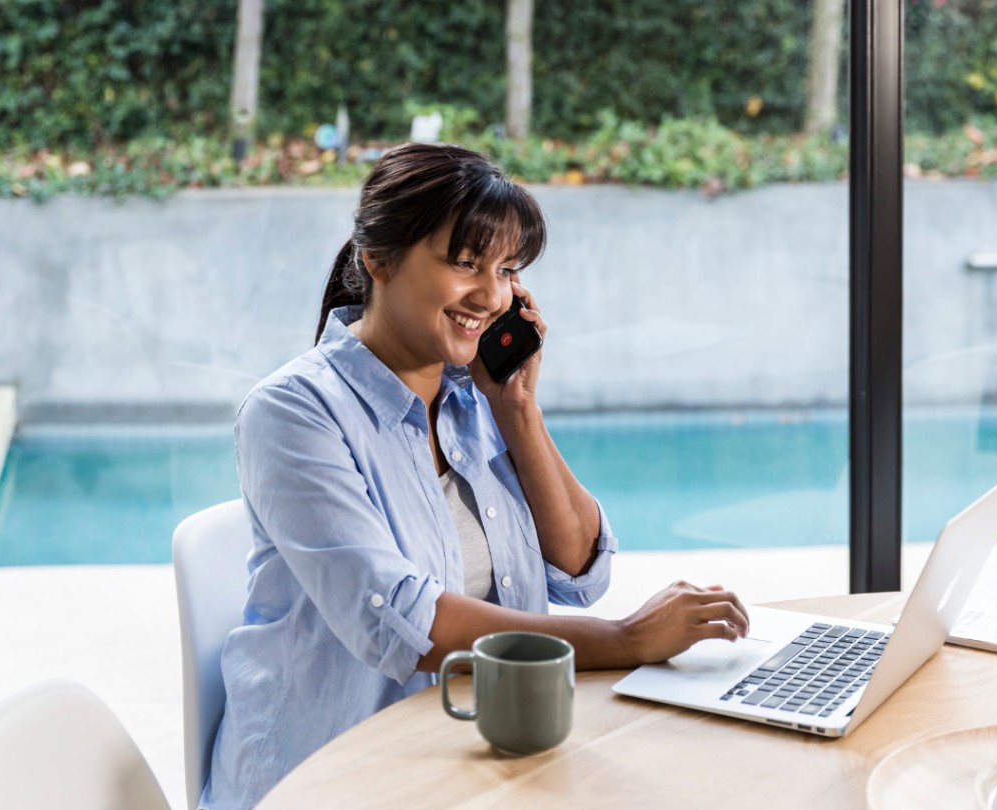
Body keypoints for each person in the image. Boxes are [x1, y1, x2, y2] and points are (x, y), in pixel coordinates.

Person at [201, 142, 749, 809]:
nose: (490, 295)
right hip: (332, 782)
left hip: (477, 767)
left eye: (507, 269)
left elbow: (580, 567)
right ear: (376, 258)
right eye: (465, 263)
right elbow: (402, 621)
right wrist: (627, 640)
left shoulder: (475, 396)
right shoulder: (293, 413)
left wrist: (516, 409)